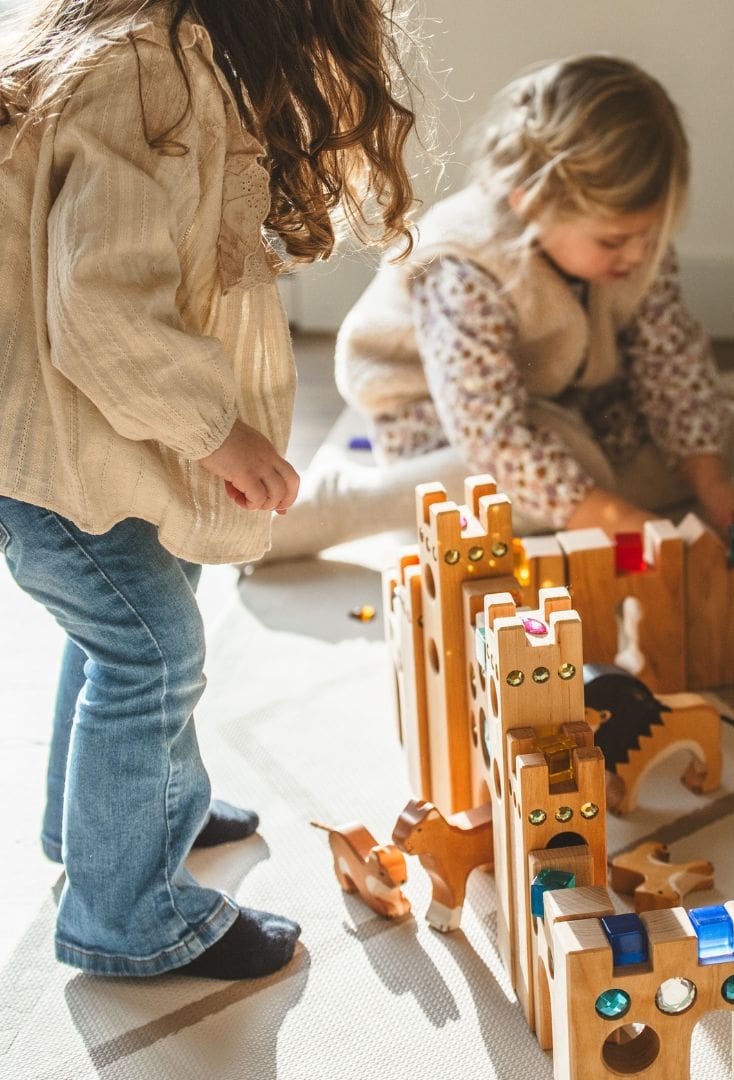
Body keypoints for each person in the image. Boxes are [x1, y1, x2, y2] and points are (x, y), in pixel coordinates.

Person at [0, 0, 415, 978]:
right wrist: (217, 434)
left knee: (128, 625)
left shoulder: (160, 55)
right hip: (53, 457)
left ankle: (107, 823)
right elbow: (101, 312)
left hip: (76, 445)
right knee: (152, 653)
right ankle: (129, 918)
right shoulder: (148, 78)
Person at [266, 54, 734, 562]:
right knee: (526, 468)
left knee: (726, 437)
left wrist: (711, 483)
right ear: (531, 203)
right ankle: (351, 504)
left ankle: (573, 492)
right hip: (444, 421)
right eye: (614, 242)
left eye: (649, 236)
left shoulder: (636, 249)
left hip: (567, 408)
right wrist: (613, 519)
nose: (638, 256)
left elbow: (672, 364)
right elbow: (491, 432)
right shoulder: (468, 265)